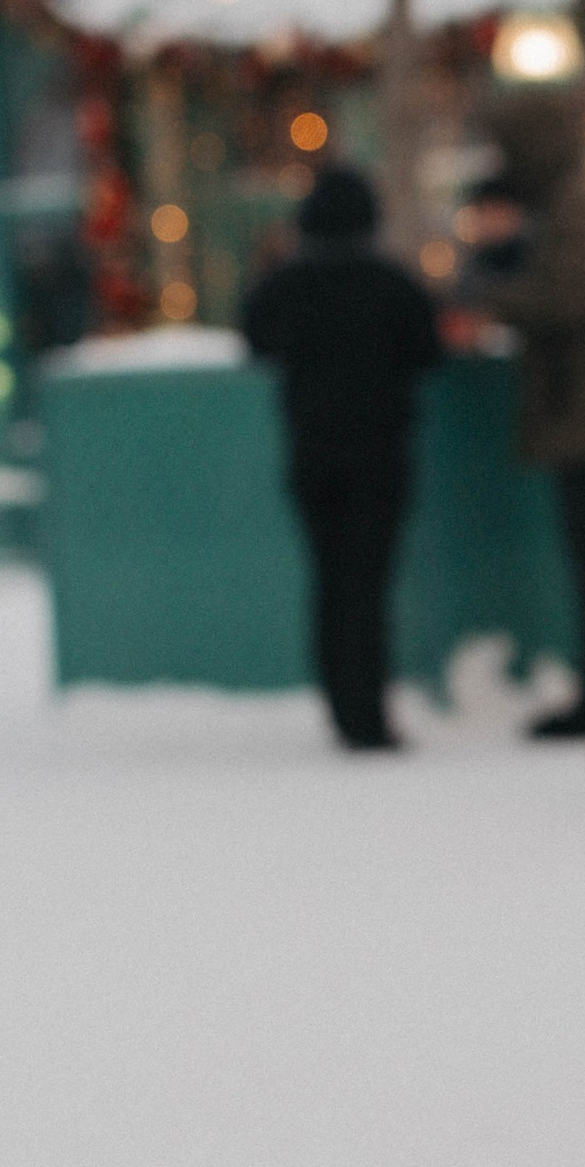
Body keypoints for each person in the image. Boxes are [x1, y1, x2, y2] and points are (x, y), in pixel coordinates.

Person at [240, 164, 444, 752]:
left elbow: (255, 341)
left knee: (329, 582)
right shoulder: (392, 283)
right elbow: (428, 352)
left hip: (312, 452)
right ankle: (368, 714)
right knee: (370, 583)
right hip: (381, 452)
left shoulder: (283, 285)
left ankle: (339, 704)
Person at [453, 89, 585, 738]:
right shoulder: (563, 202)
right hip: (577, 403)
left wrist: (495, 304)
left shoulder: (573, 205)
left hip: (583, 405)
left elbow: (569, 292)